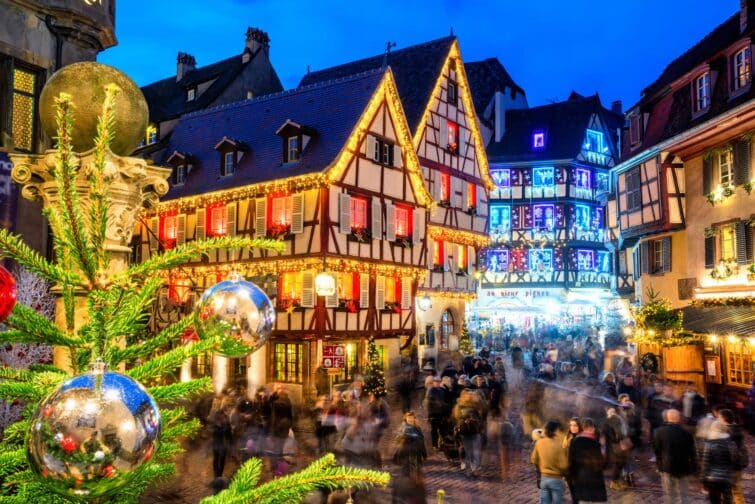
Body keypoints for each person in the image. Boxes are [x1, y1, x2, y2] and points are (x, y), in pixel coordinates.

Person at [653, 408, 697, 504]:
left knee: (669, 494)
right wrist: (694, 468)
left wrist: (659, 466)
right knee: (684, 494)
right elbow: (692, 453)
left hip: (667, 467)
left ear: (667, 418)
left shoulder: (659, 432)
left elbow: (657, 451)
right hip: (683, 467)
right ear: (678, 419)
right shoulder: (686, 433)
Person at [568, 418, 606, 504]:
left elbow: (571, 461)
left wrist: (572, 476)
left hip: (580, 478)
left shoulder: (574, 441)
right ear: (592, 428)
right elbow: (601, 464)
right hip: (594, 480)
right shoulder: (595, 443)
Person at [531, 420, 568, 504]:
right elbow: (564, 465)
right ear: (556, 430)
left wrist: (541, 468)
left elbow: (534, 459)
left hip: (544, 479)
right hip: (556, 479)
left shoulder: (539, 443)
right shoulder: (559, 445)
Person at [702, 420, 738, 504]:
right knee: (727, 500)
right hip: (726, 477)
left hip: (712, 478)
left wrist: (704, 480)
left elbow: (705, 463)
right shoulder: (731, 443)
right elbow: (734, 461)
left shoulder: (708, 444)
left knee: (714, 501)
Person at [452, 389, 485, 477]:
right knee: (468, 451)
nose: (469, 396)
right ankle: (468, 470)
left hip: (475, 430)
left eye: (470, 395)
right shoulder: (459, 406)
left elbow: (480, 417)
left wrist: (479, 425)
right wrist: (465, 420)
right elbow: (456, 418)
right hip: (465, 431)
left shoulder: (476, 405)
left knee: (475, 451)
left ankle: (474, 469)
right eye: (467, 395)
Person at [718, 409, 748, 504]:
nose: (718, 419)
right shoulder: (737, 430)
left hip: (729, 466)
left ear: (723, 418)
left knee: (728, 491)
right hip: (738, 464)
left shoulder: (726, 433)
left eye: (719, 417)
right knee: (736, 489)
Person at [392, 411, 427, 479]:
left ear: (414, 419)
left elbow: (421, 441)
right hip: (406, 452)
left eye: (412, 418)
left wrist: (424, 453)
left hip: (416, 453)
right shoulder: (402, 428)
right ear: (406, 419)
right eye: (409, 418)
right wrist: (403, 436)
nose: (410, 419)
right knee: (406, 470)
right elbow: (397, 439)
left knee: (416, 470)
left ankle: (415, 484)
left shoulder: (418, 428)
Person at [603, 407, 629, 491]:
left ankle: (617, 482)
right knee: (618, 465)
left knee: (618, 464)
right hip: (616, 447)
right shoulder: (617, 421)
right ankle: (614, 483)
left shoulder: (606, 422)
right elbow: (617, 436)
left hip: (613, 447)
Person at [424, 376, 449, 449]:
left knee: (443, 429)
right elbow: (428, 403)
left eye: (438, 382)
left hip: (441, 413)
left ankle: (442, 443)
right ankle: (434, 445)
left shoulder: (442, 390)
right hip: (434, 413)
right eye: (436, 382)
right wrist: (430, 414)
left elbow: (445, 400)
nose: (437, 383)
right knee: (434, 430)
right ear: (433, 383)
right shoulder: (431, 391)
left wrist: (445, 408)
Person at [212, 410, 233, 478]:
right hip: (217, 443)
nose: (223, 417)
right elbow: (214, 434)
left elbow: (229, 434)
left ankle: (219, 475)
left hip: (224, 445)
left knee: (222, 460)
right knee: (216, 458)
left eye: (223, 416)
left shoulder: (226, 423)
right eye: (221, 416)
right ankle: (216, 474)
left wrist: (227, 425)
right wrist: (221, 427)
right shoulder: (215, 424)